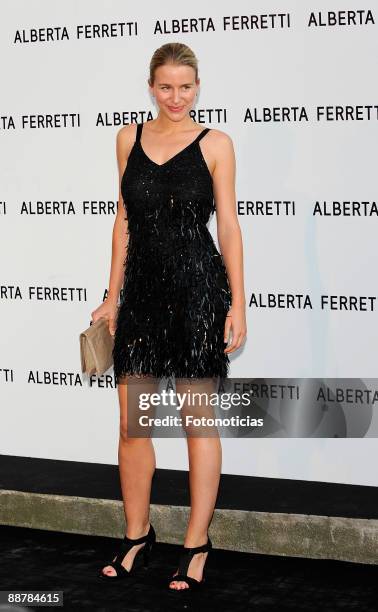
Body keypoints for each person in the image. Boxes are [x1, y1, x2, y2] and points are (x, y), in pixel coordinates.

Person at [91, 41, 246, 592]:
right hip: (142, 298)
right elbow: (122, 221)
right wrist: (112, 296)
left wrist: (238, 303)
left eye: (185, 87)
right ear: (151, 87)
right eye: (165, 86)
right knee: (134, 426)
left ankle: (197, 543)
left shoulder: (216, 144)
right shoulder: (127, 138)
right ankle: (137, 535)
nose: (175, 97)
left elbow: (228, 226)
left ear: (198, 87)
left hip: (199, 294)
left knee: (197, 425)